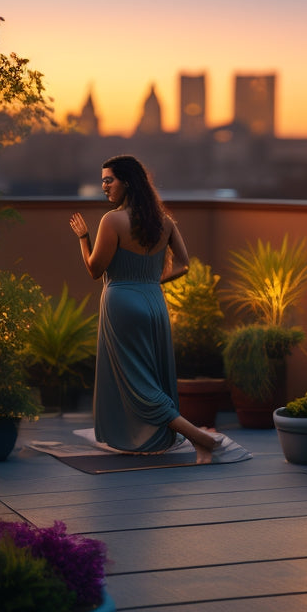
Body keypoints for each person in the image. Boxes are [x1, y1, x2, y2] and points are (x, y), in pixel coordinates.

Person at [69, 154, 231, 464]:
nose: (104, 186)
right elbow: (184, 264)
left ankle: (202, 439)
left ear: (126, 182)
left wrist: (83, 237)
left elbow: (94, 270)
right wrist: (150, 281)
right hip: (154, 303)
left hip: (121, 302)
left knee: (138, 383)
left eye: (108, 180)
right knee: (151, 377)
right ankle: (187, 440)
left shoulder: (111, 220)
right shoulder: (164, 221)